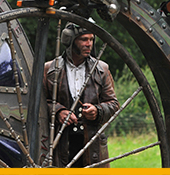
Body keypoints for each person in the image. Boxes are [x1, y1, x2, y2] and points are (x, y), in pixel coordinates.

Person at [42, 24, 118, 167]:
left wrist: (97, 111)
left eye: (91, 39)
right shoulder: (50, 69)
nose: (89, 44)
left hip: (92, 144)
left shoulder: (102, 69)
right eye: (84, 39)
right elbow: (39, 104)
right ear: (70, 40)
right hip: (60, 144)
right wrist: (58, 111)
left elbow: (113, 104)